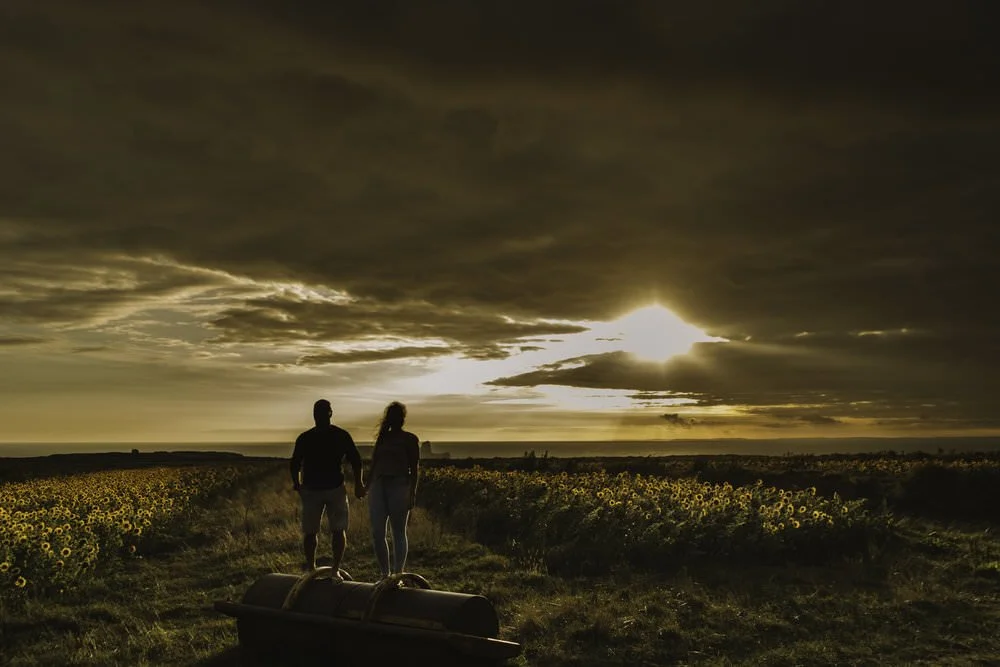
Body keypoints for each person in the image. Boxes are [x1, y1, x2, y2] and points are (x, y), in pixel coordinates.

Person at [290, 399, 366, 576]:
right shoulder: (332, 435)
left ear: (328, 414)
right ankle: (317, 569)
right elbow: (294, 464)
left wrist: (359, 483)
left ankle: (331, 569)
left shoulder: (311, 437)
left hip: (330, 489)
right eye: (319, 413)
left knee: (332, 530)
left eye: (322, 413)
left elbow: (356, 461)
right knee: (317, 531)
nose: (321, 416)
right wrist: (297, 484)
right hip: (320, 489)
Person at [365, 401, 420, 578]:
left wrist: (412, 492)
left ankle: (398, 574)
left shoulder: (410, 439)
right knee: (377, 532)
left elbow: (414, 468)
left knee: (398, 531)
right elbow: (374, 463)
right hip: (379, 485)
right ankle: (384, 574)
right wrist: (367, 485)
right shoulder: (383, 438)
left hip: (399, 484)